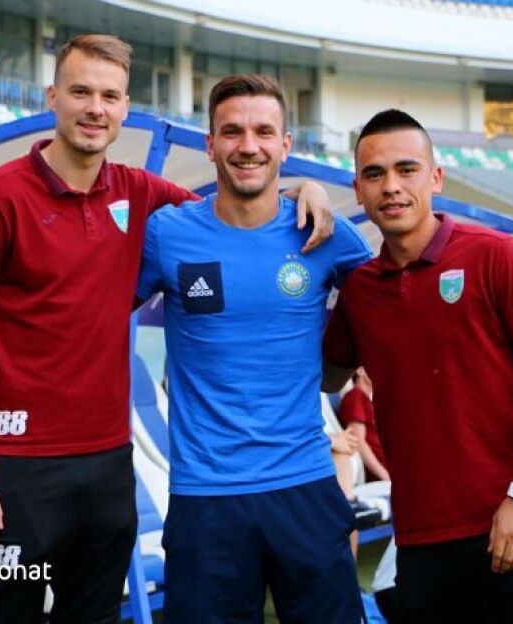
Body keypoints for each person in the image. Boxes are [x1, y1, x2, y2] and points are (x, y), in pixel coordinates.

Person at [0, 35, 333, 623]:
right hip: (16, 464)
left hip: (109, 464)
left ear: (124, 108)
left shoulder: (140, 194)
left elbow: (235, 205)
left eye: (110, 96)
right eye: (81, 92)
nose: (96, 108)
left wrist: (303, 189)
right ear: (53, 97)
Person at [322, 109, 513, 623]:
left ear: (435, 178)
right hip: (421, 539)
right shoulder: (360, 291)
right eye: (374, 174)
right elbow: (327, 375)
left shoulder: (495, 255)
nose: (391, 186)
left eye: (406, 169)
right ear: (358, 190)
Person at [135, 75, 372, 623]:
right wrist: (4, 331)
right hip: (205, 498)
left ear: (285, 145)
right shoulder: (168, 234)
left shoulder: (327, 234)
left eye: (264, 132)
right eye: (232, 132)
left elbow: (399, 303)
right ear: (210, 144)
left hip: (306, 487)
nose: (248, 146)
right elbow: (93, 313)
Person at [337, 367, 389, 482]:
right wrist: (386, 477)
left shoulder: (368, 401)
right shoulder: (355, 396)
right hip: (380, 478)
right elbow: (358, 442)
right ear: (360, 370)